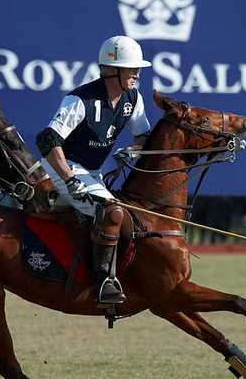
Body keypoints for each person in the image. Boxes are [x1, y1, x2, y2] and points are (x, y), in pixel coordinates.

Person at [36, 35, 152, 305]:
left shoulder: (132, 99)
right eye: (131, 69)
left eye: (137, 70)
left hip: (94, 171)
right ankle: (104, 283)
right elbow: (48, 140)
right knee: (111, 211)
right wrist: (68, 178)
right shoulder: (80, 99)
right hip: (61, 168)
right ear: (112, 70)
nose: (136, 75)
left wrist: (132, 151)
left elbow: (143, 136)